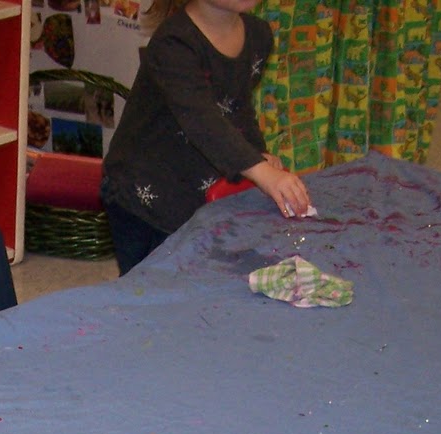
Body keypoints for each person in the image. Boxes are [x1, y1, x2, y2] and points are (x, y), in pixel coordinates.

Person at [99, 0, 312, 274]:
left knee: (195, 278)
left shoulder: (258, 34)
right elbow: (201, 120)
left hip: (195, 185)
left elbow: (237, 107)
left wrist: (257, 152)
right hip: (144, 193)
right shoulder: (173, 42)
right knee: (148, 286)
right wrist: (261, 172)